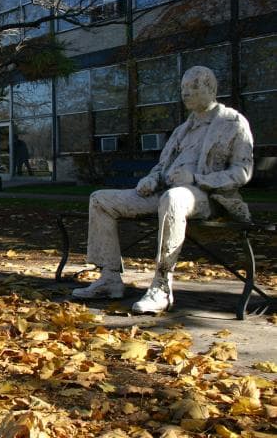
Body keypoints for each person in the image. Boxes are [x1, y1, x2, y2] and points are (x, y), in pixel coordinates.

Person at [72, 66, 254, 314]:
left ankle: (161, 286)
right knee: (100, 199)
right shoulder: (182, 129)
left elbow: (242, 172)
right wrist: (151, 178)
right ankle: (110, 278)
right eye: (182, 89)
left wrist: (197, 178)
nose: (185, 93)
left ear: (211, 89)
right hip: (164, 192)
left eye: (193, 87)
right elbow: (162, 165)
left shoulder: (232, 123)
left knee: (174, 198)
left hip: (206, 197)